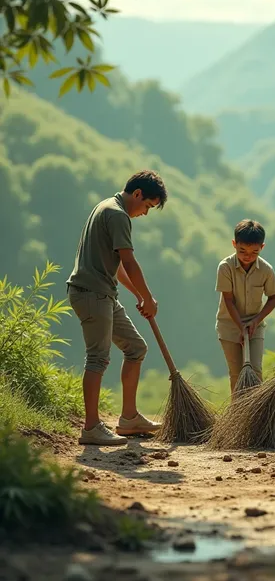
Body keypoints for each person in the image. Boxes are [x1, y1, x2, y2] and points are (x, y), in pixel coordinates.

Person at [67, 170, 167, 446]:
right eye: (147, 206)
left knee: (136, 348)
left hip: (103, 294)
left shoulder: (106, 206)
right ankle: (91, 428)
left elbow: (118, 266)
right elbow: (130, 262)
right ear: (137, 194)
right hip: (91, 294)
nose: (146, 213)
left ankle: (129, 418)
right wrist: (148, 296)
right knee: (97, 358)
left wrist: (138, 295)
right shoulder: (118, 215)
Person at [215, 219, 275, 393]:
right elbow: (228, 300)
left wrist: (256, 321)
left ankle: (257, 416)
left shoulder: (266, 270)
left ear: (262, 248)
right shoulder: (225, 267)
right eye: (242, 250)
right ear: (234, 244)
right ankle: (238, 415)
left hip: (255, 325)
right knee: (237, 374)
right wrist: (240, 327)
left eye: (254, 252)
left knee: (256, 371)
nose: (247, 256)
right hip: (229, 325)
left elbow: (273, 298)